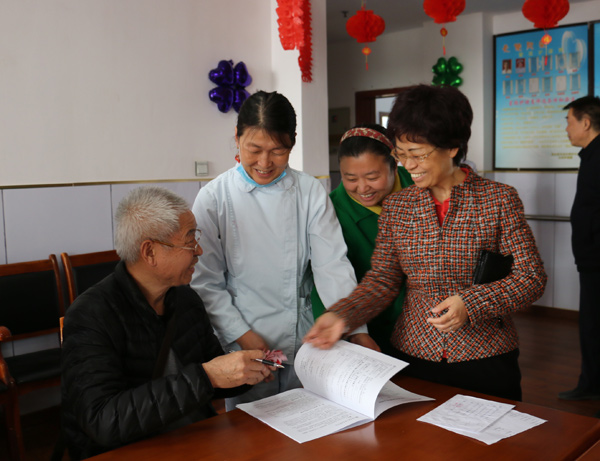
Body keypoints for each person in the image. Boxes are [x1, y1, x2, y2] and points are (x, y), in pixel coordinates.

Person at [305, 84, 547, 401]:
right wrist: (342, 314)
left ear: (452, 147)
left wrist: (471, 303)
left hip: (486, 354)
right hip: (414, 354)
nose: (408, 166)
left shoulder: (498, 200)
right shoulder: (399, 206)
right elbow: (382, 281)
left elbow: (530, 278)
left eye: (418, 155)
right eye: (401, 154)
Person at [61, 186, 273, 460]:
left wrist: (246, 371)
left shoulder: (185, 299)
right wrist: (209, 376)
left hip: (195, 436)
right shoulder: (91, 315)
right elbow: (104, 421)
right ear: (150, 252)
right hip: (131, 448)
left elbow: (210, 373)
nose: (199, 250)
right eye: (189, 240)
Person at [191, 90, 359, 411]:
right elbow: (205, 283)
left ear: (292, 144)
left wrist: (351, 323)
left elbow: (332, 266)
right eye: (254, 149)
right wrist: (242, 335)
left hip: (305, 340)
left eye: (278, 151)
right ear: (237, 138)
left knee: (311, 422)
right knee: (250, 428)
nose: (265, 163)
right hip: (243, 344)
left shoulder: (309, 191)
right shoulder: (213, 198)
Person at [311, 124, 413, 355]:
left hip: (433, 324)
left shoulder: (420, 186)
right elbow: (325, 273)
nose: (363, 188)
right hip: (373, 329)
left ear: (394, 166)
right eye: (350, 178)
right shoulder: (331, 211)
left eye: (372, 177)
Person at [558, 96, 600, 402]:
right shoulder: (590, 155)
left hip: (597, 259)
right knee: (591, 326)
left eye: (569, 121)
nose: (567, 128)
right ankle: (590, 385)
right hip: (590, 260)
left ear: (586, 123)